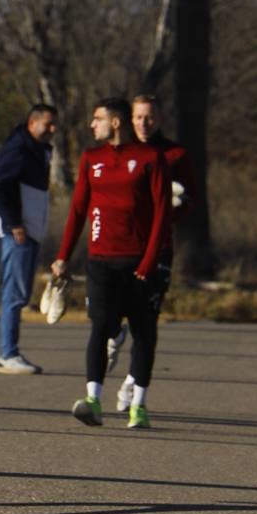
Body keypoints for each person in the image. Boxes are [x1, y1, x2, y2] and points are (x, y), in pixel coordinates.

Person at [51, 97, 168, 430]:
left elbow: (162, 214)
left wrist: (149, 260)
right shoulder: (92, 158)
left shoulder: (150, 158)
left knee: (144, 333)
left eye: (97, 119)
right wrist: (63, 256)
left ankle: (139, 405)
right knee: (100, 326)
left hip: (139, 262)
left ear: (115, 122)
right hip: (101, 261)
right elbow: (77, 211)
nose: (92, 125)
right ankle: (93, 399)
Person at [108, 93, 196, 412]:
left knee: (147, 320)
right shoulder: (117, 153)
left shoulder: (175, 155)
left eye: (149, 117)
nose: (144, 123)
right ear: (129, 120)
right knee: (112, 314)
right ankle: (113, 334)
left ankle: (132, 384)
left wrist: (171, 208)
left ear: (159, 119)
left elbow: (189, 202)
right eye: (138, 117)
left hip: (158, 250)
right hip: (119, 249)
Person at [0, 104, 58, 374]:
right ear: (32, 122)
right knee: (14, 293)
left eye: (54, 124)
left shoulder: (38, 150)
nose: (52, 130)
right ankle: (8, 353)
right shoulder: (18, 148)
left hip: (29, 229)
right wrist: (14, 222)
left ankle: (9, 352)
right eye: (47, 124)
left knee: (19, 293)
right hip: (17, 232)